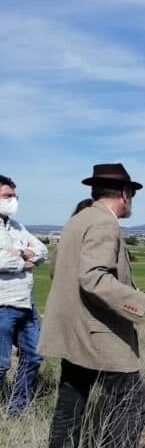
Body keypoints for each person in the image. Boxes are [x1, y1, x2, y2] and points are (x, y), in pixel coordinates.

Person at [38, 163, 145, 448]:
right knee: (131, 399)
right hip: (100, 335)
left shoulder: (76, 220)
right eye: (132, 195)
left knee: (70, 406)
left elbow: (59, 271)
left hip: (74, 333)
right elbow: (93, 277)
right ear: (125, 195)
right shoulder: (104, 224)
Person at [0, 174, 48, 415]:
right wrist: (24, 259)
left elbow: (42, 250)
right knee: (1, 364)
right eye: (7, 196)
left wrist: (19, 253)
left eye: (14, 196)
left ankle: (16, 408)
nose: (13, 200)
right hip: (2, 305)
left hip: (26, 305)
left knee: (34, 356)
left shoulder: (18, 227)